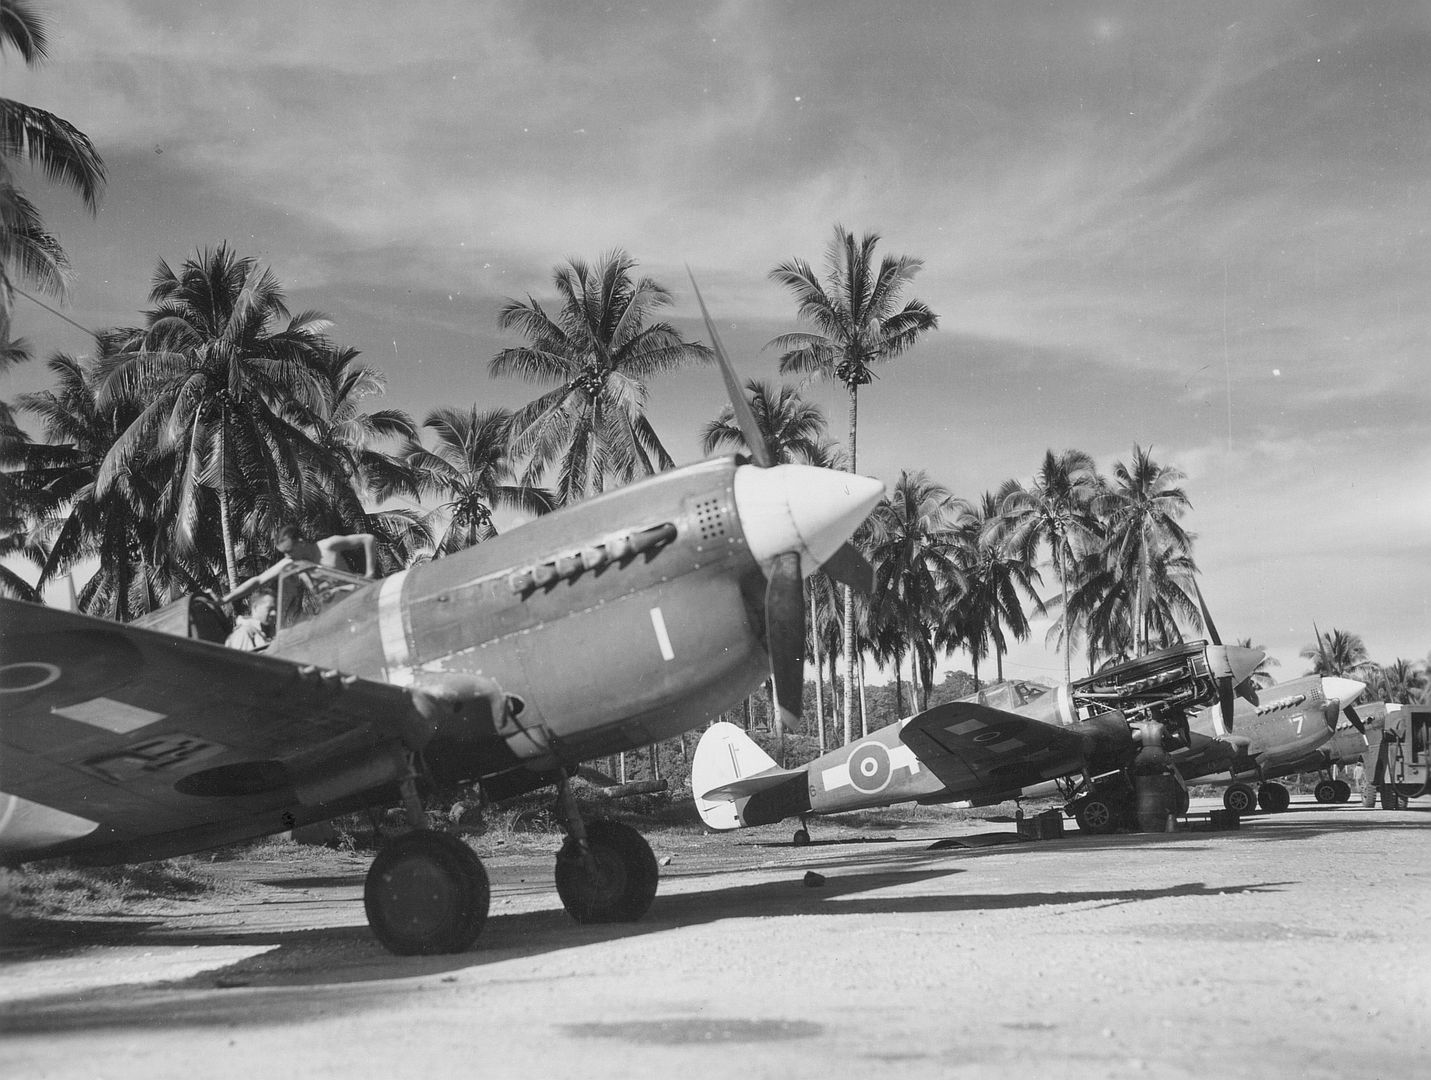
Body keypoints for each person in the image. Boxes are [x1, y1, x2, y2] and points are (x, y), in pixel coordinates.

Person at [223, 524, 379, 604]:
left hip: (357, 596)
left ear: (301, 542)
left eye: (289, 551)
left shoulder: (328, 546)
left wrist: (370, 573)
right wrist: (225, 600)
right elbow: (258, 581)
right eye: (284, 553)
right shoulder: (291, 561)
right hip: (333, 608)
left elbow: (368, 539)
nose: (287, 556)